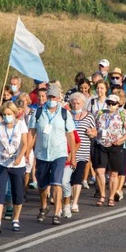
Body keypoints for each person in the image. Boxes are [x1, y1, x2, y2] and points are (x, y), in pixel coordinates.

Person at [28, 83, 76, 225]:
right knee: (42, 184)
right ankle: (44, 206)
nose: (51, 99)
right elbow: (31, 133)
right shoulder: (37, 113)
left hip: (59, 153)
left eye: (53, 97)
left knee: (57, 183)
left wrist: (72, 156)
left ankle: (57, 212)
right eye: (49, 96)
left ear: (58, 98)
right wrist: (27, 152)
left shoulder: (64, 113)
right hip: (42, 153)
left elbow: (71, 136)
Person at [0, 102, 29, 233]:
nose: (6, 117)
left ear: (14, 114)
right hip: (1, 162)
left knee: (17, 193)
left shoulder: (21, 124)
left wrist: (19, 157)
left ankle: (15, 219)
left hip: (17, 164)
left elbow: (25, 143)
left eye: (9, 114)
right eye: (4, 114)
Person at [89, 93, 126, 206]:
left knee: (113, 173)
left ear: (118, 104)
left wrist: (121, 140)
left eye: (113, 104)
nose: (110, 105)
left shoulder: (122, 114)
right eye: (108, 103)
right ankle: (102, 195)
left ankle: (111, 196)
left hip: (115, 146)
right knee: (99, 171)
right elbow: (93, 128)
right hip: (101, 144)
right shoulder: (99, 114)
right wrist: (92, 133)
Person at [67, 92, 95, 213]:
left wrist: (91, 133)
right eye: (74, 103)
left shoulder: (89, 116)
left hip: (82, 151)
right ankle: (67, 200)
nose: (76, 105)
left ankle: (75, 202)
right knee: (68, 179)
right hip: (68, 151)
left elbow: (95, 132)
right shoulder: (67, 115)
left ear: (83, 104)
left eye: (78, 103)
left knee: (77, 178)